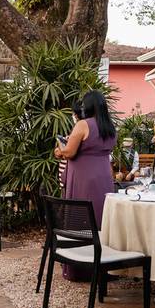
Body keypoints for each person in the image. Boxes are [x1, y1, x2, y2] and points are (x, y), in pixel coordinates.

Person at [55, 91, 117, 281]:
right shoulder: (109, 126)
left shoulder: (83, 124)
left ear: (88, 106)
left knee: (80, 217)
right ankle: (103, 265)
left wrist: (59, 150)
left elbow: (70, 151)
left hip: (83, 176)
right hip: (104, 175)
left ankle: (79, 266)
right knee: (100, 215)